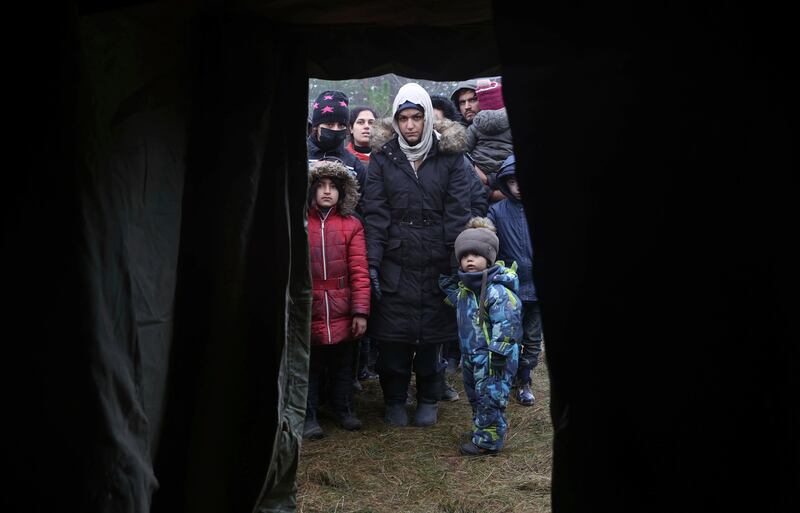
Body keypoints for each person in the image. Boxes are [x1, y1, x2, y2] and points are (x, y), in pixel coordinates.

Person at [362, 83, 472, 428]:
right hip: (397, 254)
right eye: (403, 118)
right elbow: (376, 213)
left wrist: (456, 263)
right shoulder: (383, 157)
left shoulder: (450, 156)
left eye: (416, 117)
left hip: (437, 256)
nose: (410, 125)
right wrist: (372, 263)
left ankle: (427, 396)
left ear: (427, 118)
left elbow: (458, 211)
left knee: (431, 337)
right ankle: (394, 398)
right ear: (395, 121)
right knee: (393, 338)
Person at [439, 217, 522, 456]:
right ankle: (482, 429)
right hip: (471, 355)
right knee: (475, 395)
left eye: (475, 255)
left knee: (491, 397)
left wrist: (499, 354)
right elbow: (460, 307)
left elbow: (508, 325)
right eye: (465, 256)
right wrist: (446, 290)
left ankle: (489, 441)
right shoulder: (466, 290)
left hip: (494, 358)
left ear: (489, 257)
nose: (469, 260)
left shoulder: (498, 291)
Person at [303, 159, 371, 439]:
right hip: (311, 306)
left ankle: (344, 409)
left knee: (343, 365)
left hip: (343, 306)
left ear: (343, 192)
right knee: (311, 365)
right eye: (321, 186)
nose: (327, 192)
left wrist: (360, 312)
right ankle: (308, 415)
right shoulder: (301, 224)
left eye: (333, 187)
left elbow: (360, 271)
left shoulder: (351, 225)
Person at [487, 154, 542, 406]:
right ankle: (505, 379)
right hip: (510, 288)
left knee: (532, 338)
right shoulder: (497, 212)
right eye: (512, 181)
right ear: (505, 184)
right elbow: (487, 241)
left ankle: (525, 379)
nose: (518, 186)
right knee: (510, 336)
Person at [307, 90, 367, 197]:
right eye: (329, 124)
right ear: (316, 126)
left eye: (341, 125)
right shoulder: (299, 157)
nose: (335, 129)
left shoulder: (353, 164)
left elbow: (362, 204)